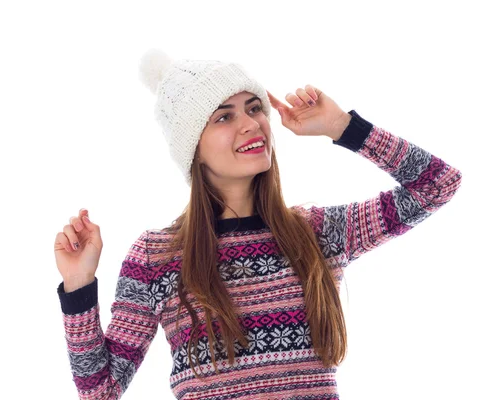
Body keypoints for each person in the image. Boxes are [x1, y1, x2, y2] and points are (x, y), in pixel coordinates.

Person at [54, 48, 463, 400]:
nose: (251, 123)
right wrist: (78, 285)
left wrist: (342, 127)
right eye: (223, 117)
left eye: (254, 108)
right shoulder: (157, 257)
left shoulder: (318, 233)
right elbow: (101, 391)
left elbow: (438, 184)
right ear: (192, 148)